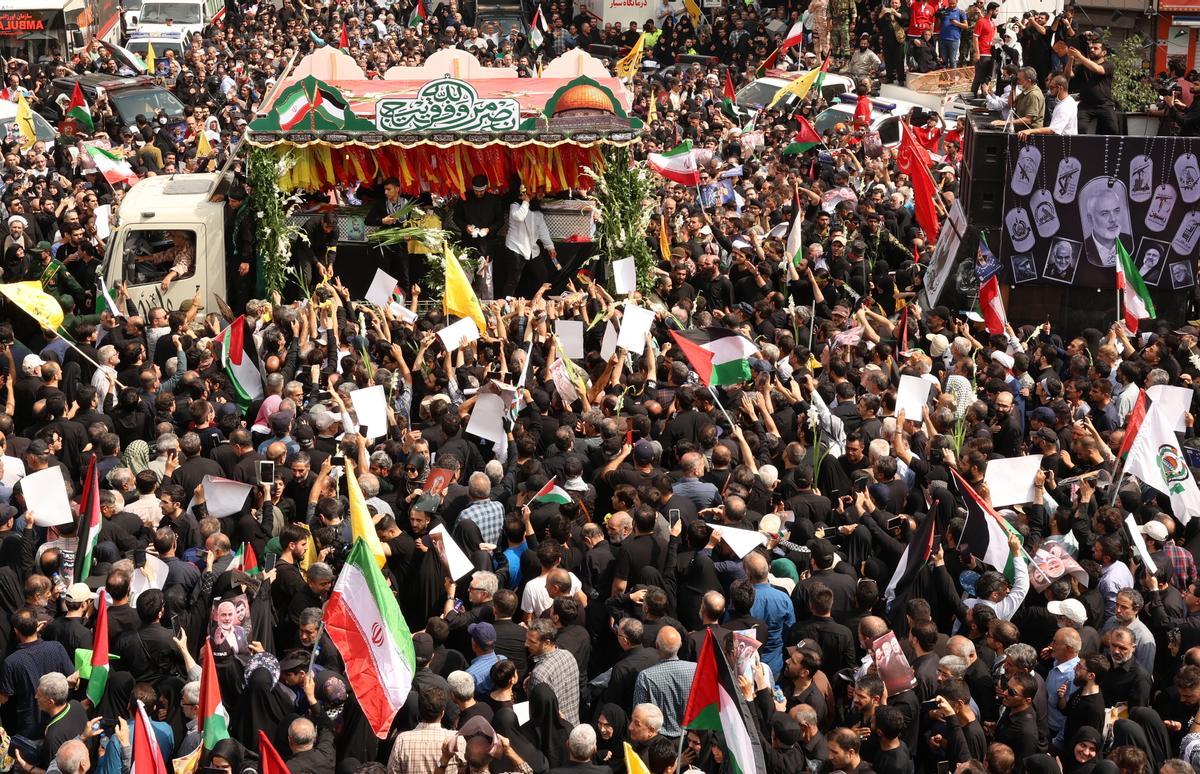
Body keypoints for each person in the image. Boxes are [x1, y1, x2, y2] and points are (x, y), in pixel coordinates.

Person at [1066, 38, 1118, 134]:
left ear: (1104, 52)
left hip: (1104, 105)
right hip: (1085, 106)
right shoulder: (1082, 66)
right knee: (1079, 130)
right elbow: (1069, 75)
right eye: (1091, 48)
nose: (1092, 50)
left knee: (1113, 130)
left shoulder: (1109, 65)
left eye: (1095, 48)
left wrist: (1080, 57)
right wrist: (1070, 60)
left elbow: (1098, 69)